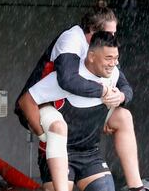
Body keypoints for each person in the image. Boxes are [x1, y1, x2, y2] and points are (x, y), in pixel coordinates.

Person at [15, 1, 146, 191]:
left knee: (124, 115)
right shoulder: (72, 41)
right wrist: (102, 91)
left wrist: (120, 97)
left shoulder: (106, 58)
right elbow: (67, 80)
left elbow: (125, 86)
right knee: (58, 127)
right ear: (92, 34)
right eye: (109, 35)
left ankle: (137, 186)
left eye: (114, 58)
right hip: (46, 106)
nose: (112, 40)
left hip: (85, 139)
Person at [21, 31, 125, 191]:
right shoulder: (69, 79)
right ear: (91, 56)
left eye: (116, 58)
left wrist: (121, 97)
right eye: (108, 58)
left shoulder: (113, 75)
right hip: (60, 153)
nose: (113, 63)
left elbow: (128, 91)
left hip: (90, 153)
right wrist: (42, 134)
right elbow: (25, 101)